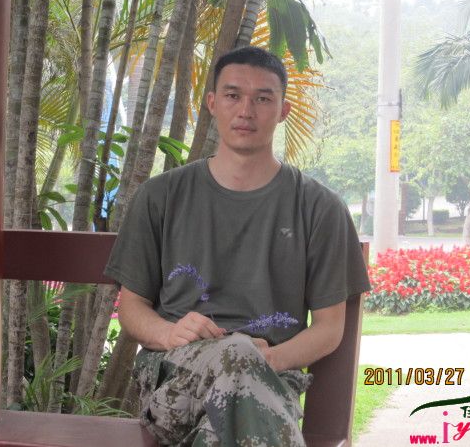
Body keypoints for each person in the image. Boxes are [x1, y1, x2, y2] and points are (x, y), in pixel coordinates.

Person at [105, 46, 370, 446]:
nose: (246, 110)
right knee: (238, 359)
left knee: (232, 392)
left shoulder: (319, 208)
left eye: (263, 98)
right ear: (212, 103)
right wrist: (170, 332)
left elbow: (330, 328)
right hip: (174, 378)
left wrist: (270, 358)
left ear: (282, 110)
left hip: (270, 380)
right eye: (233, 95)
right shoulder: (161, 197)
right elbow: (131, 308)